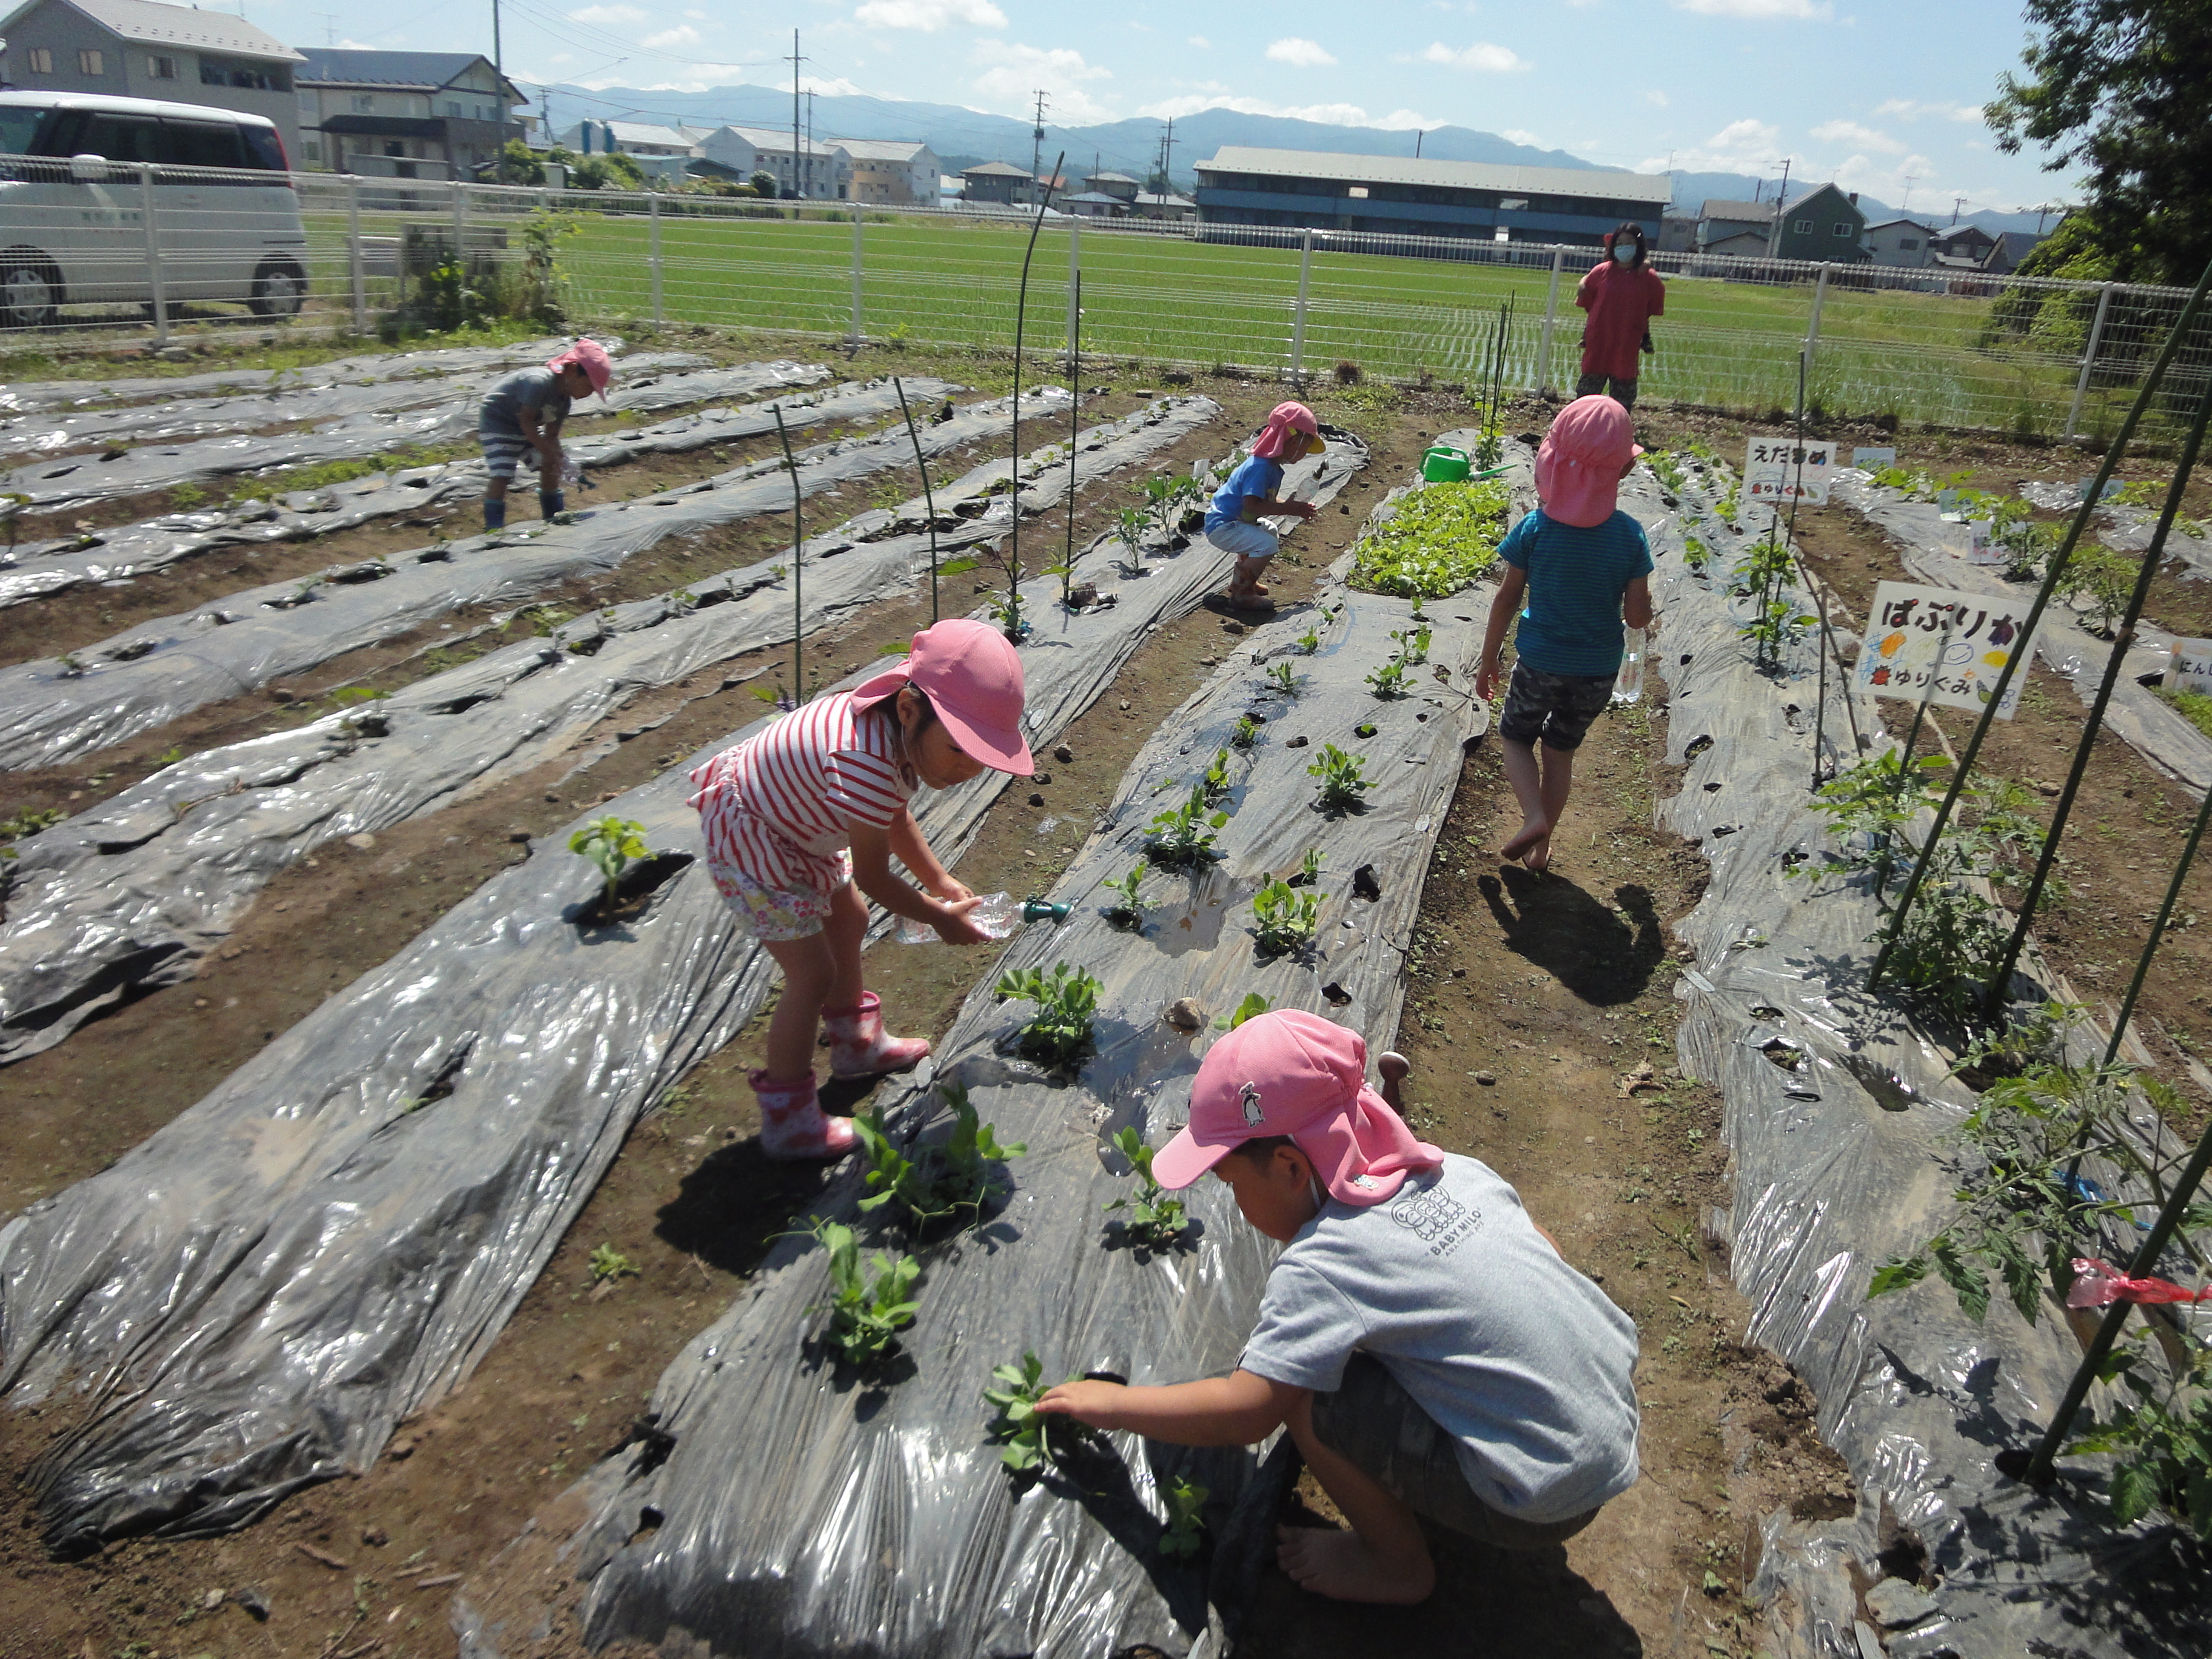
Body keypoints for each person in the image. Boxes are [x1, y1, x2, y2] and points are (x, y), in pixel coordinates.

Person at [1036, 1010, 1639, 1605]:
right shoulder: (1454, 1172)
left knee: (1310, 1397)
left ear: (1291, 1167)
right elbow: (1544, 1249)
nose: (1237, 1203)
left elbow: (1248, 1413)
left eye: (1232, 1184)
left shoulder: (1324, 1262)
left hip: (1537, 1504)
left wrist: (1115, 1405)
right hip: (1611, 1427)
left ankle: (1395, 1566)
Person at [686, 619, 1034, 1159]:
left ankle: (856, 1047)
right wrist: (940, 917)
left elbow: (891, 814)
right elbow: (874, 875)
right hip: (756, 835)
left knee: (850, 919)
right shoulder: (865, 756)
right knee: (811, 972)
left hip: (797, 822)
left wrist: (937, 879)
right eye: (958, 749)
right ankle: (788, 1120)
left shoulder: (893, 724)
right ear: (910, 712)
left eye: (980, 756)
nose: (966, 769)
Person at [1475, 395, 1654, 872]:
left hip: (1540, 661)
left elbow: (1507, 599)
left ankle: (1532, 817)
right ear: (1620, 472)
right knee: (1560, 752)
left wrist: (1489, 656)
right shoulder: (1630, 536)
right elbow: (1637, 618)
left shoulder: (1536, 528)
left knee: (1515, 737)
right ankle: (1540, 849)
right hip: (1596, 670)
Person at [477, 339, 611, 532]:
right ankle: (494, 526)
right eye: (590, 386)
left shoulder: (563, 403)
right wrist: (547, 451)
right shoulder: (537, 383)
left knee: (550, 464)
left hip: (526, 427)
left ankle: (553, 513)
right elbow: (526, 420)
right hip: (499, 423)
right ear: (573, 371)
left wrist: (558, 458)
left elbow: (551, 435)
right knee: (503, 473)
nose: (591, 393)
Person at [1205, 401, 1322, 611]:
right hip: (1223, 526)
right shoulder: (1260, 468)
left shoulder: (1271, 467)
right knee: (1266, 544)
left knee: (1270, 530)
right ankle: (1241, 595)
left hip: (1233, 522)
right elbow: (1252, 505)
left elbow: (1261, 500)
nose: (1305, 453)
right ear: (1294, 440)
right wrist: (1289, 509)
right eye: (1306, 447)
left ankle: (1242, 582)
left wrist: (1290, 505)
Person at [1574, 222, 1664, 410]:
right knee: (1586, 395)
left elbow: (1651, 308)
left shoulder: (1649, 278)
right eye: (1620, 243)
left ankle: (1617, 430)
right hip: (1599, 340)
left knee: (1622, 397)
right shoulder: (1601, 272)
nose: (1624, 247)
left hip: (1627, 341)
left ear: (1639, 246)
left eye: (1629, 243)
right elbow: (1587, 301)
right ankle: (1582, 429)